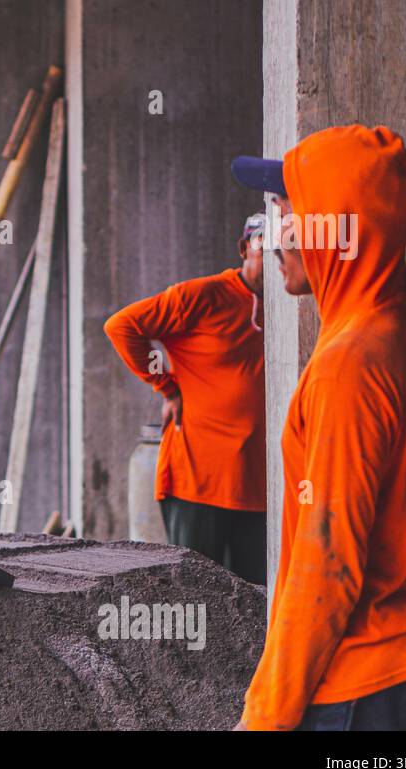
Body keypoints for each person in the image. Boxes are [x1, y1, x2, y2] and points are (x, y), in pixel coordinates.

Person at [231, 124, 406, 730]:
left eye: (285, 209)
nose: (273, 230)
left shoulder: (352, 364)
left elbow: (327, 568)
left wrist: (263, 718)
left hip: (363, 693)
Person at [103, 214, 268, 583]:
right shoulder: (204, 296)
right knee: (198, 599)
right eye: (263, 249)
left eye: (282, 250)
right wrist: (167, 386)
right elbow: (122, 327)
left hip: (260, 488)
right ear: (244, 249)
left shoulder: (288, 305)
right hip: (198, 484)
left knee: (256, 603)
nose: (273, 260)